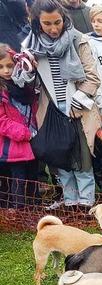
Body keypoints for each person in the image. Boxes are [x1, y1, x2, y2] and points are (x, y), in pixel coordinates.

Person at [24, 0, 102, 212]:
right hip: (50, 112)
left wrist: (78, 102)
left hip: (78, 109)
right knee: (60, 157)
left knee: (83, 157)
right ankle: (69, 202)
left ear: (64, 18)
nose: (54, 28)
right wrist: (28, 71)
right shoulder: (30, 46)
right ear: (38, 22)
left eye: (57, 22)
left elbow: (92, 78)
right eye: (47, 24)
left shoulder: (79, 39)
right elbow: (28, 85)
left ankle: (86, 204)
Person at [0, 44, 37, 211]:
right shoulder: (2, 90)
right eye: (1, 67)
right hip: (10, 143)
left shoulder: (20, 86)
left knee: (26, 176)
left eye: (9, 66)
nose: (6, 71)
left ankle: (25, 207)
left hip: (24, 141)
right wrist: (23, 133)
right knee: (14, 178)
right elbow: (2, 121)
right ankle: (15, 211)